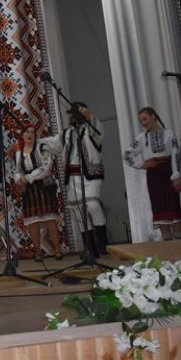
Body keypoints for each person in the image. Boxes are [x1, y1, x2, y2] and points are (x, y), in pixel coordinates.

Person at [124, 107, 181, 240]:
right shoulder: (141, 138)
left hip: (168, 173)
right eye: (141, 121)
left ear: (153, 116)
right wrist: (142, 164)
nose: (143, 123)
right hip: (153, 176)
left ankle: (180, 245)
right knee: (160, 212)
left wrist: (176, 176)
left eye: (145, 119)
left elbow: (176, 154)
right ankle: (168, 245)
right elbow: (127, 154)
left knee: (174, 211)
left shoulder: (169, 133)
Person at [60, 101, 108, 257]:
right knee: (80, 213)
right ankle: (90, 249)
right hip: (73, 177)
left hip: (91, 175)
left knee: (93, 206)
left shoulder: (92, 127)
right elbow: (55, 144)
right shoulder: (67, 133)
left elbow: (99, 135)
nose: (74, 117)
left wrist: (89, 116)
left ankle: (103, 245)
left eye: (77, 113)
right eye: (72, 114)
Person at [11, 124, 63, 261]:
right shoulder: (19, 153)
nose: (30, 135)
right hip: (29, 191)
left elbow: (46, 167)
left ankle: (57, 250)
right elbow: (17, 171)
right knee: (32, 222)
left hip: (44, 187)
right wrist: (18, 179)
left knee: (50, 219)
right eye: (27, 132)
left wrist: (28, 177)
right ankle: (38, 252)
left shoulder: (42, 148)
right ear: (22, 135)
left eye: (32, 132)